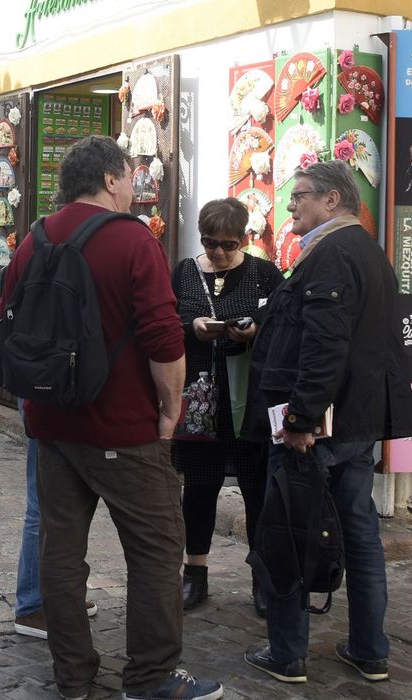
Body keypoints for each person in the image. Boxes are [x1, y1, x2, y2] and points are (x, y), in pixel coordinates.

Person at [0, 136, 221, 700]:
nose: (135, 185)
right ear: (111, 178)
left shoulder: (36, 237)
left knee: (60, 549)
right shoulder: (131, 239)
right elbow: (162, 334)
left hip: (52, 423)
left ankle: (72, 675)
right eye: (130, 174)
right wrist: (170, 410)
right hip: (122, 426)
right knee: (155, 547)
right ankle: (151, 676)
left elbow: (6, 316)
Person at [242, 161, 412, 686]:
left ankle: (288, 654)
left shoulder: (335, 256)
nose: (290, 205)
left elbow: (325, 347)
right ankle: (369, 650)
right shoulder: (360, 251)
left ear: (333, 201)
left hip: (319, 428)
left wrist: (300, 417)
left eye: (300, 197)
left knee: (291, 531)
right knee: (359, 530)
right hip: (353, 422)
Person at [171, 198, 284, 615]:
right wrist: (191, 327)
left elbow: (286, 319)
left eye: (227, 243)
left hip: (246, 402)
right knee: (199, 488)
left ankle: (262, 578)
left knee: (256, 489)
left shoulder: (262, 273)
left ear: (244, 238)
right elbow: (163, 322)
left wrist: (255, 330)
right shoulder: (184, 273)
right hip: (199, 400)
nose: (217, 251)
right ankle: (194, 575)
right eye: (209, 242)